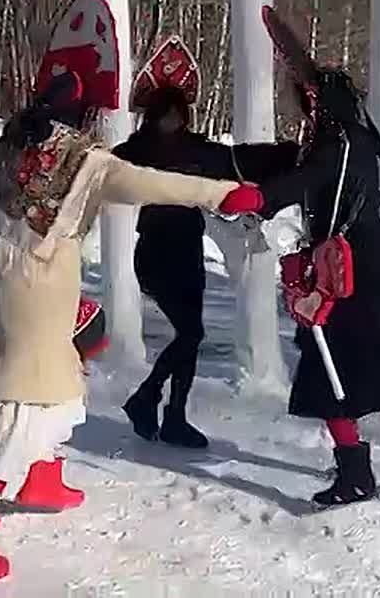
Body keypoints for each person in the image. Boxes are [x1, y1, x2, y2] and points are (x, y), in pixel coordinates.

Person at [0, 73, 261, 581]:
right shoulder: (86, 163)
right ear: (84, 117)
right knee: (30, 406)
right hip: (42, 285)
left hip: (4, 275)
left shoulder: (14, 142)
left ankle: (43, 477)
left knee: (65, 376)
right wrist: (223, 195)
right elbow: (153, 182)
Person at [233, 65, 380, 508]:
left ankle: (356, 476)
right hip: (367, 257)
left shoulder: (339, 142)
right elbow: (299, 170)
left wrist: (262, 198)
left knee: (327, 365)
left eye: (302, 98)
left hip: (349, 264)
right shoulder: (356, 135)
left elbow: (308, 177)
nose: (299, 107)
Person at [113, 85, 295, 448]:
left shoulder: (195, 148)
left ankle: (174, 415)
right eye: (167, 114)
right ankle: (147, 399)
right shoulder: (135, 150)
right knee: (191, 334)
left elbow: (237, 159)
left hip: (187, 250)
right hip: (155, 252)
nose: (173, 121)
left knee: (190, 335)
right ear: (154, 116)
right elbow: (101, 169)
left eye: (178, 114)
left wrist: (288, 154)